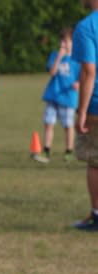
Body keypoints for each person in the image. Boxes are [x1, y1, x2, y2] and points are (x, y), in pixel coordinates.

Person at [35, 27, 80, 163]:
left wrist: (79, 83)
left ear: (73, 42)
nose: (62, 44)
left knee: (68, 125)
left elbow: (84, 76)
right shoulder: (55, 55)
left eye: (66, 41)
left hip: (68, 97)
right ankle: (46, 150)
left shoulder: (77, 59)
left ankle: (69, 151)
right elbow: (52, 72)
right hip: (53, 95)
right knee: (48, 123)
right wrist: (59, 57)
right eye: (61, 41)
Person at [72, 0, 98, 231]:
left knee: (95, 161)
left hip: (96, 106)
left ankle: (97, 214)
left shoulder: (87, 26)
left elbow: (89, 71)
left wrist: (82, 112)